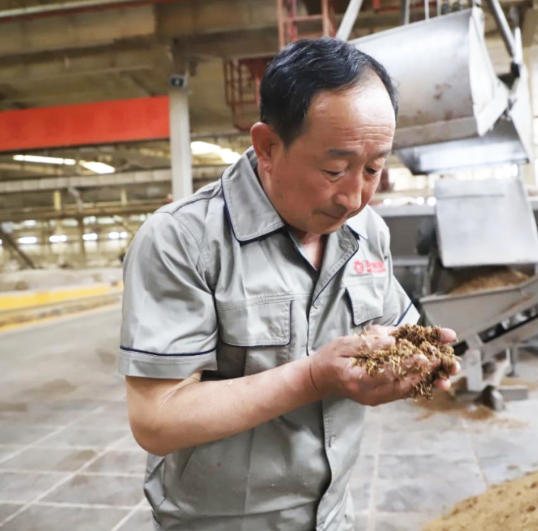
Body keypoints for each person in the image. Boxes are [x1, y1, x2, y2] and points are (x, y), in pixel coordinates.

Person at [119, 37, 458, 531]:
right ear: (268, 147)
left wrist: (417, 361)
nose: (353, 197)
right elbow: (157, 419)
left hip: (332, 517)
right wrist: (312, 377)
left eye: (373, 169)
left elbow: (396, 330)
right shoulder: (183, 240)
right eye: (334, 169)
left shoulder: (368, 233)